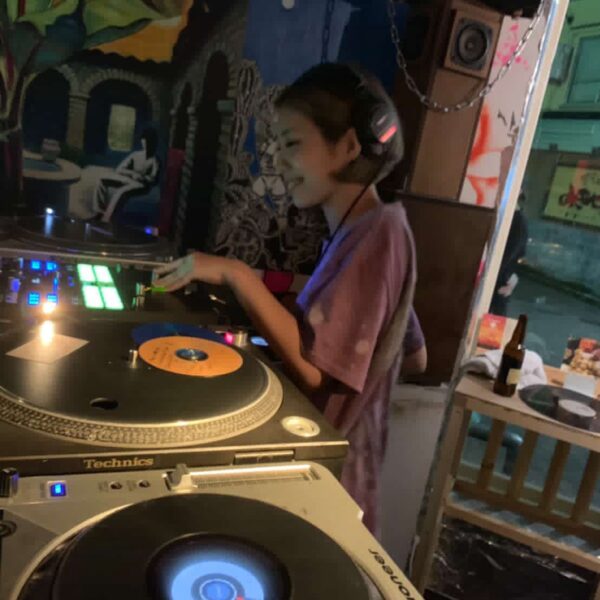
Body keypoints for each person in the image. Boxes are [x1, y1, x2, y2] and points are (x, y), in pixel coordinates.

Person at [154, 63, 426, 537]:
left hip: (328, 485)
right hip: (337, 473)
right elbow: (416, 355)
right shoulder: (369, 233)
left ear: (350, 145)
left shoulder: (378, 232)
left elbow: (316, 369)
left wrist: (237, 274)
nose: (279, 162)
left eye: (292, 144)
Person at [92, 127, 160, 223]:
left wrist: (142, 177)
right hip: (129, 179)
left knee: (121, 192)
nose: (146, 146)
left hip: (141, 185)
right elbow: (119, 169)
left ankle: (106, 219)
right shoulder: (135, 155)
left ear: (153, 143)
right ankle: (99, 212)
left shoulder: (155, 160)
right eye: (144, 143)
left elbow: (153, 179)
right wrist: (132, 173)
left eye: (148, 144)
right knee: (101, 180)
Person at [490, 192, 529, 316]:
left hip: (499, 281)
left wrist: (507, 276)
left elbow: (512, 255)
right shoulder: (508, 218)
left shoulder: (517, 221)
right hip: (499, 279)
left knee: (494, 319)